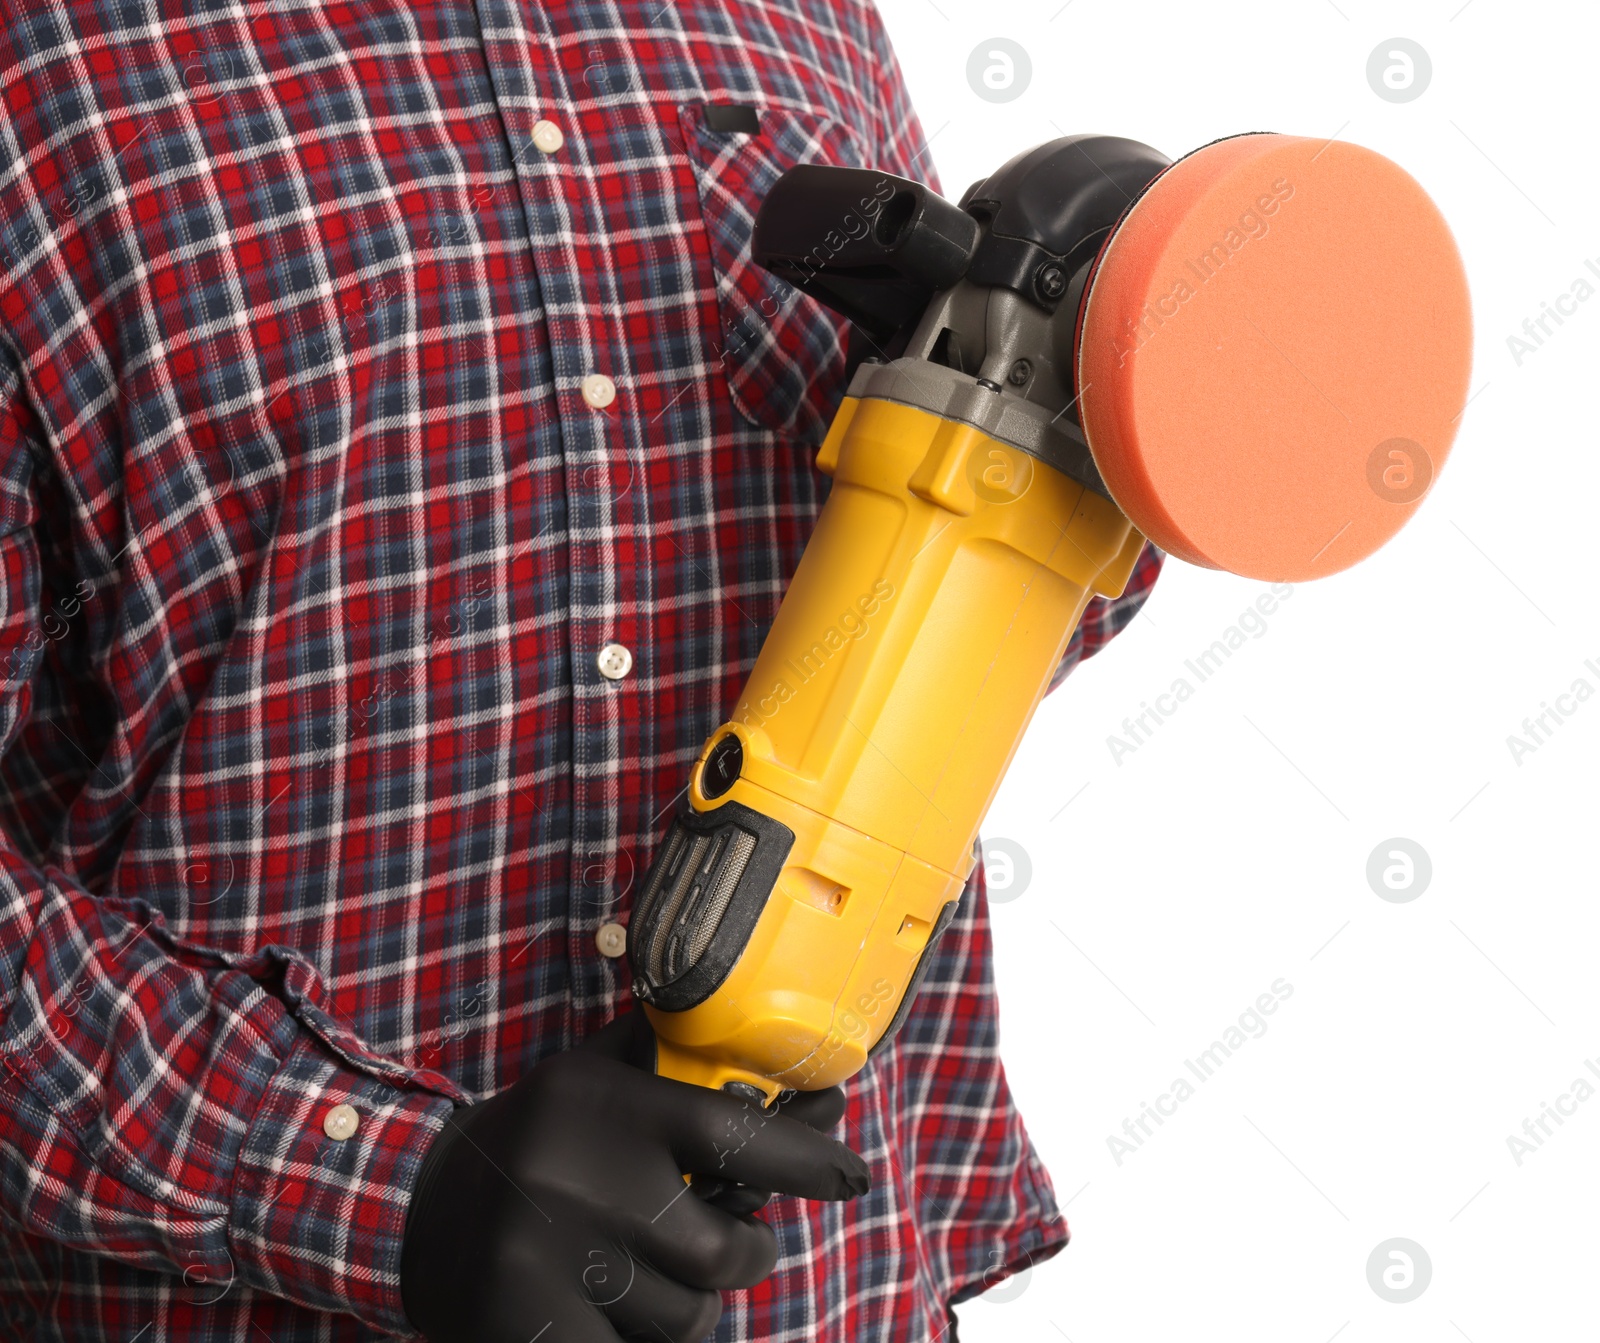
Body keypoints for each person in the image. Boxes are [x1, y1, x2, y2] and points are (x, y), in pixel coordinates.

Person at [0, 2, 1160, 1339]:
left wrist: (1064, 437)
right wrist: (387, 1190)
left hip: (826, 1299)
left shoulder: (804, 19)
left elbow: (961, 644)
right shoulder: (52, 75)